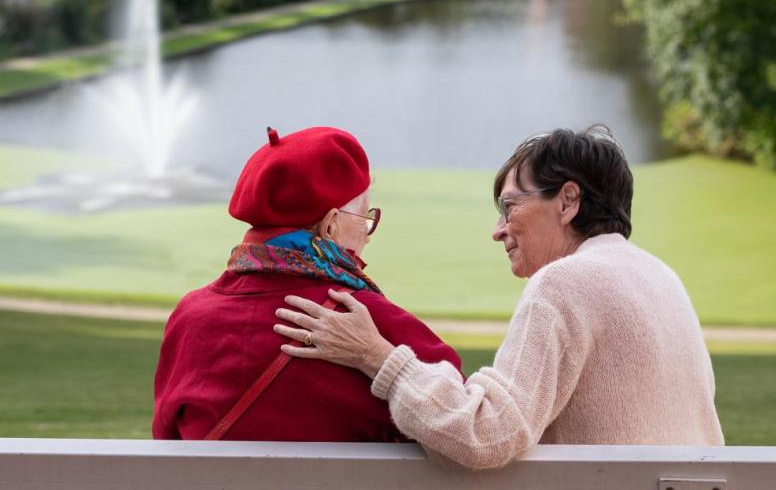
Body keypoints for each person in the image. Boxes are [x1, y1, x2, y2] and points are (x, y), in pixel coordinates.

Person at [275, 126, 725, 468]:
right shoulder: (662, 278)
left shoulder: (563, 283)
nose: (498, 230)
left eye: (511, 207)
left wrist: (377, 357)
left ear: (568, 202)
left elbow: (486, 433)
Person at [153, 126, 461, 441]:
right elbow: (461, 416)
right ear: (330, 226)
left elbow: (165, 435)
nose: (367, 234)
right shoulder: (365, 319)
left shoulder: (190, 316)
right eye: (366, 219)